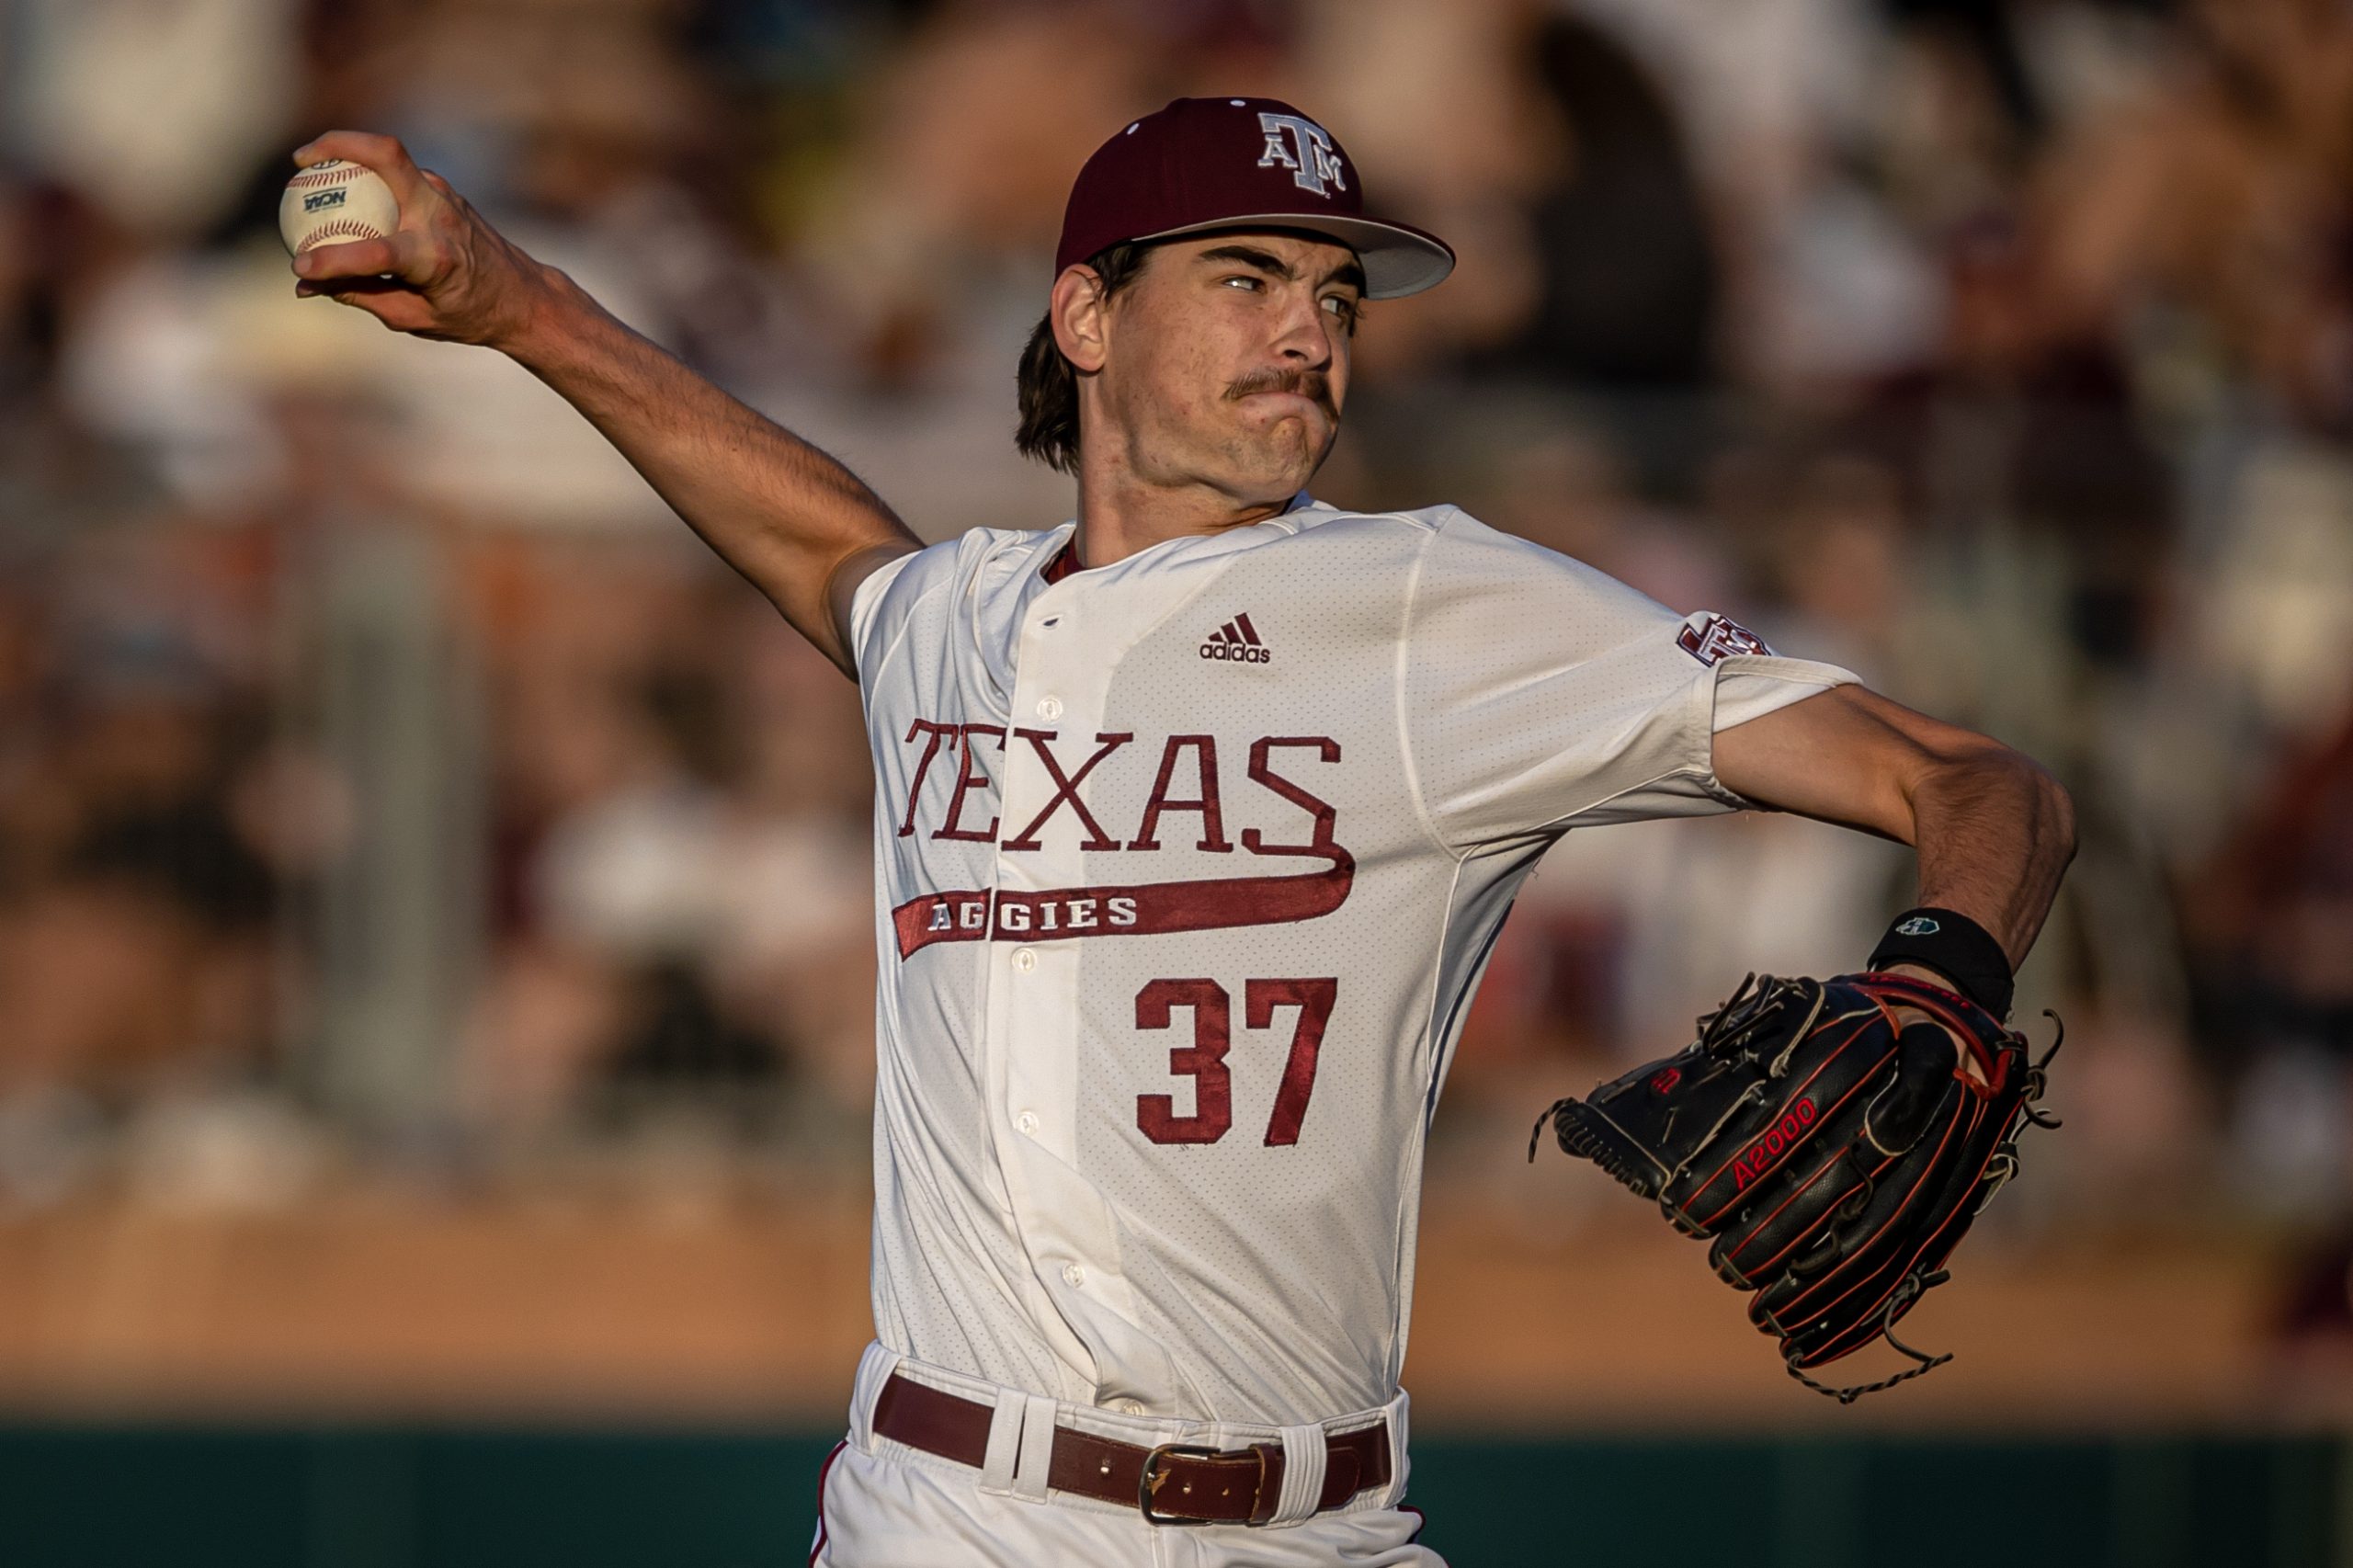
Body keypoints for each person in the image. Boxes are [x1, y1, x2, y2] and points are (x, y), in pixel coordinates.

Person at [290, 96, 2074, 1566]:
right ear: (1083, 320)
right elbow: (820, 544)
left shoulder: (1431, 606)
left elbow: (1974, 779)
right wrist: (511, 297)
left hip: (1320, 1525)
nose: (1306, 325)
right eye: (1243, 276)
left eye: (1333, 293)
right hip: (953, 1511)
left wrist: (1943, 968)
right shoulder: (951, 622)